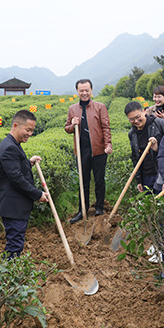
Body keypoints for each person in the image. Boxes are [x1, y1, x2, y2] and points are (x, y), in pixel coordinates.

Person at [0, 110, 48, 259]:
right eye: (28, 130)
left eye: (32, 130)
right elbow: (16, 179)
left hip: (15, 205)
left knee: (16, 242)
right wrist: (38, 195)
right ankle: (9, 274)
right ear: (16, 125)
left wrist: (28, 162)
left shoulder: (12, 143)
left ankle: (10, 272)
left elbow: (13, 169)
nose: (30, 133)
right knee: (15, 244)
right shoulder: (9, 147)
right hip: (13, 207)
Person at [64, 79, 112, 223]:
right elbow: (67, 128)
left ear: (91, 91)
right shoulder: (72, 109)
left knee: (99, 180)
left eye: (87, 90)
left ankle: (99, 208)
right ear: (77, 92)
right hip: (82, 151)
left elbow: (106, 127)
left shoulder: (100, 107)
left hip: (99, 150)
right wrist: (72, 125)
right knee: (83, 182)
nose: (84, 93)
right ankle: (82, 210)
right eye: (81, 91)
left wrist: (108, 144)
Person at [125, 101, 164, 194]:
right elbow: (135, 157)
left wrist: (157, 148)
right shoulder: (132, 134)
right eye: (132, 119)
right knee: (148, 204)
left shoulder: (159, 124)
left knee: (162, 204)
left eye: (138, 117)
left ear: (144, 111)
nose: (136, 121)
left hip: (161, 174)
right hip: (146, 176)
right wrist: (139, 180)